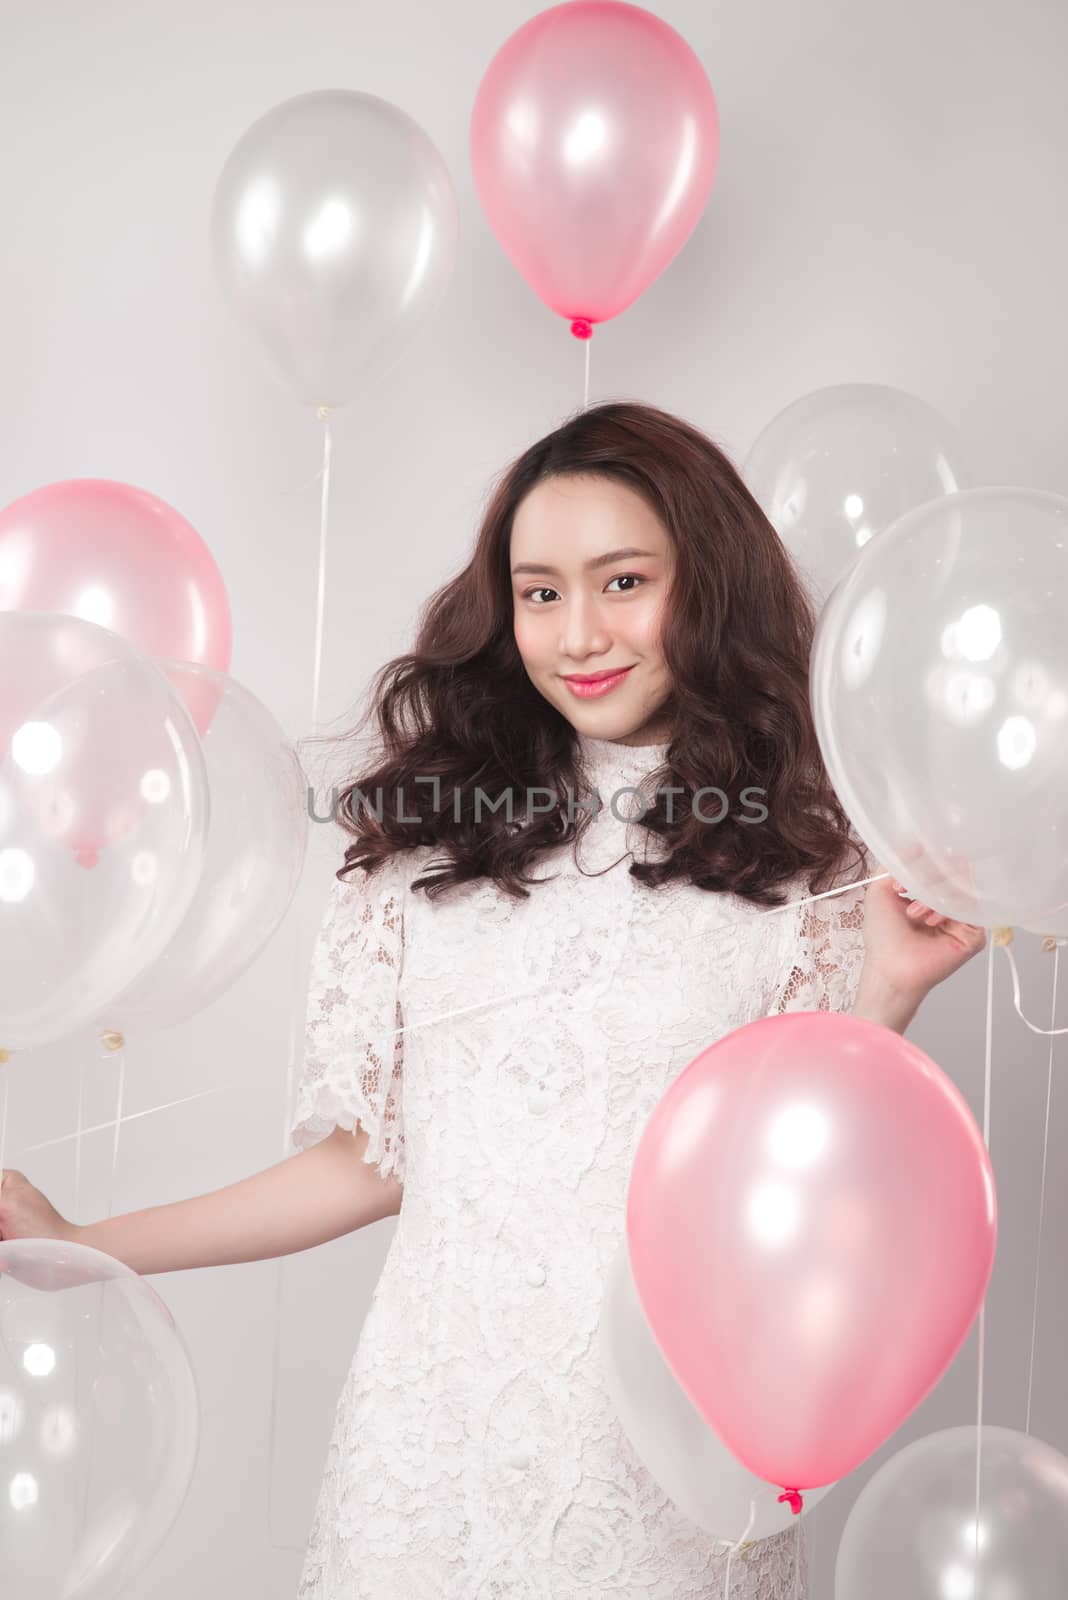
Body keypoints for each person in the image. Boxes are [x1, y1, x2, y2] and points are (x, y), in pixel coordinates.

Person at [0, 401, 985, 1599]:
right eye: (540, 592)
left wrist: (888, 984)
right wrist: (91, 1246)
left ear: (709, 585)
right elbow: (374, 1162)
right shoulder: (431, 853)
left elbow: (795, 1178)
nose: (580, 633)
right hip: (428, 1446)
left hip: (668, 1462)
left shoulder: (810, 857)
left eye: (624, 581)